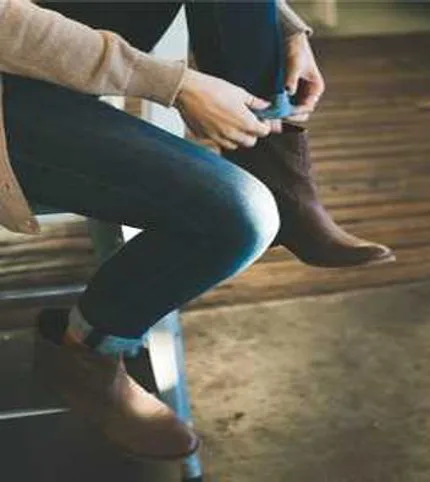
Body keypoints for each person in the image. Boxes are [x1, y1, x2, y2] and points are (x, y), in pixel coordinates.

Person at [0, 0, 393, 461]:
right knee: (236, 217)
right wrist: (176, 85)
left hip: (45, 60)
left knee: (247, 207)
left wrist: (284, 31)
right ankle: (85, 353)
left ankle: (279, 171)